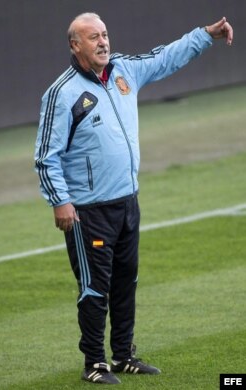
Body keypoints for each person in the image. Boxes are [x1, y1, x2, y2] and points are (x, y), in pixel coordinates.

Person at [35, 12, 233, 385]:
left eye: (105, 34)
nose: (103, 42)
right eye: (93, 37)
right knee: (95, 288)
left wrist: (205, 35)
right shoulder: (62, 94)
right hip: (88, 211)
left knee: (126, 282)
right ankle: (94, 363)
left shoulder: (124, 71)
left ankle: (124, 355)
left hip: (127, 202)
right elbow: (46, 157)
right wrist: (60, 201)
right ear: (75, 45)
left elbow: (164, 57)